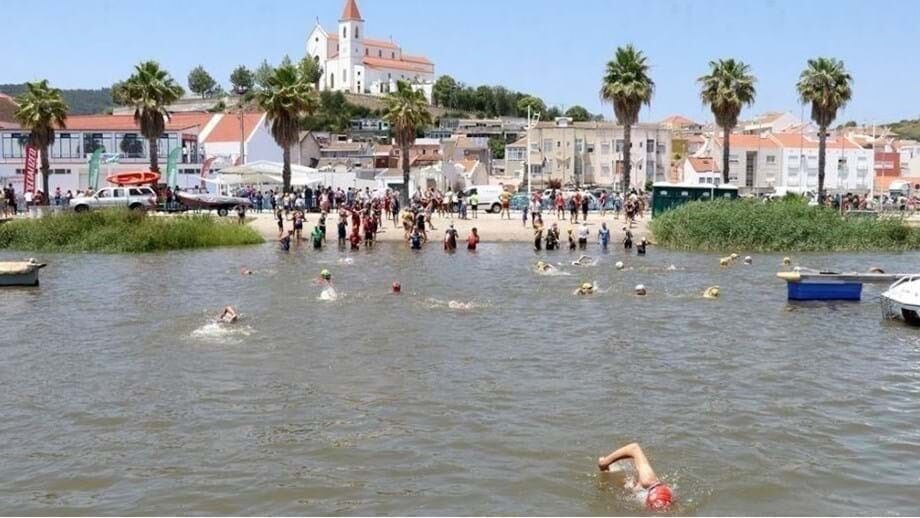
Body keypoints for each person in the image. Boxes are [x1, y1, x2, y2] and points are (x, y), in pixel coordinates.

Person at [597, 442, 674, 510]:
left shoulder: (649, 480)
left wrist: (604, 463)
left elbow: (634, 448)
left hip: (652, 488)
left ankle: (603, 463)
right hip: (652, 497)